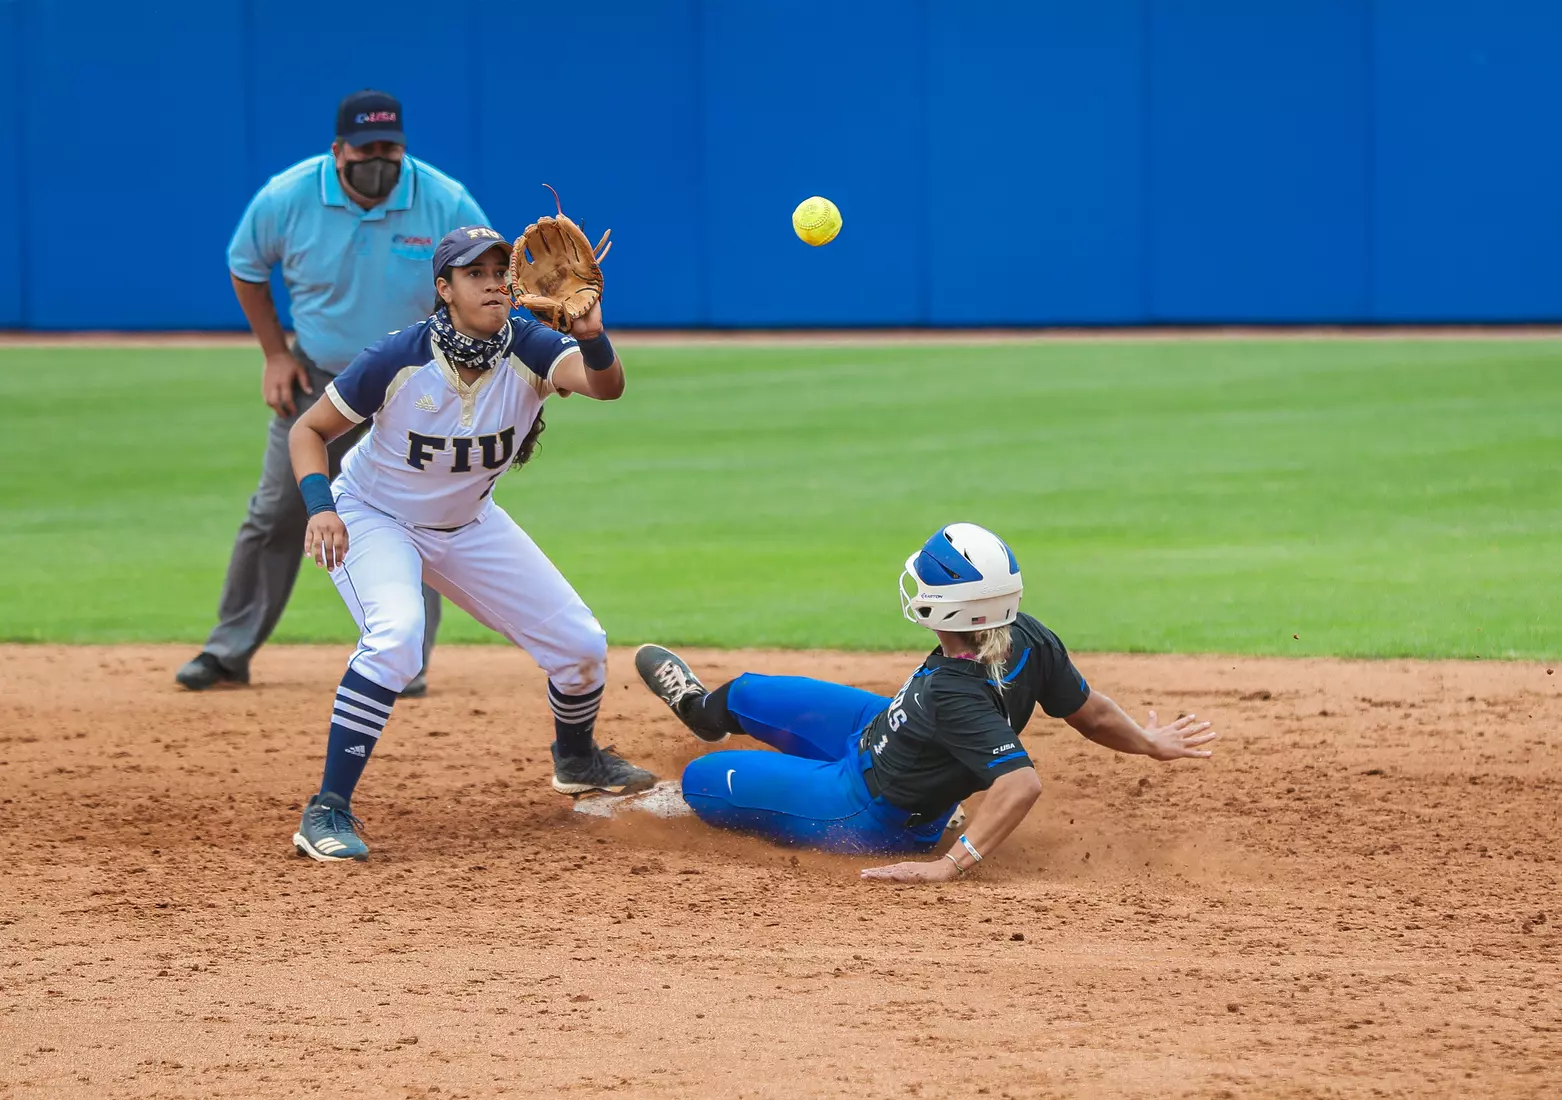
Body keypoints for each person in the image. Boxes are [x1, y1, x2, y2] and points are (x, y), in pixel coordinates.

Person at [285, 224, 654, 862]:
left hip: (470, 524)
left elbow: (606, 386)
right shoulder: (399, 358)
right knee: (396, 641)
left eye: (497, 273)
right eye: (473, 274)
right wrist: (321, 509)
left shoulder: (532, 346)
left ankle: (576, 757)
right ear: (445, 289)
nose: (490, 284)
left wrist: (592, 337)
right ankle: (327, 808)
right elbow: (308, 431)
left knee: (580, 645)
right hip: (376, 518)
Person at [634, 523, 1219, 883]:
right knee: (742, 693)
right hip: (880, 728)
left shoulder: (953, 689)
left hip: (863, 807)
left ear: (949, 609)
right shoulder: (1030, 635)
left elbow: (1021, 784)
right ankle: (701, 713)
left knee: (699, 781)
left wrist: (949, 865)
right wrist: (1148, 743)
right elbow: (1086, 710)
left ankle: (932, 817)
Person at [177, 89, 486, 697]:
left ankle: (406, 662)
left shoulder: (445, 200)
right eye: (367, 148)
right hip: (321, 378)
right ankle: (227, 650)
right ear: (338, 149)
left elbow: (483, 280)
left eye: (390, 148)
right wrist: (273, 353)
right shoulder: (287, 197)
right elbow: (246, 265)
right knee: (277, 512)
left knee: (415, 515)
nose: (380, 159)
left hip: (413, 383)